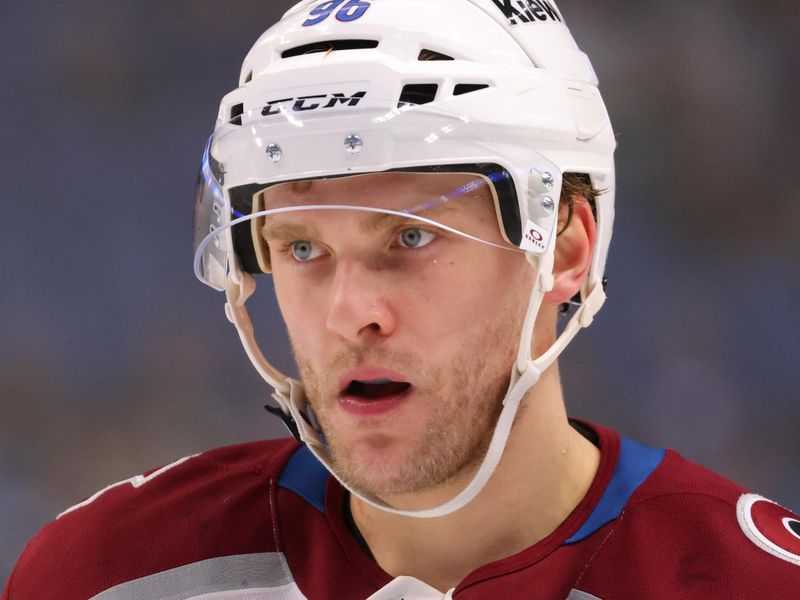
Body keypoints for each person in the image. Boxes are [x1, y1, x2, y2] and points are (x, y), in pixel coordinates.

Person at [3, 1, 799, 598]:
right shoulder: (104, 574)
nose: (352, 314)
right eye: (303, 248)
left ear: (564, 248)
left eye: (411, 238)